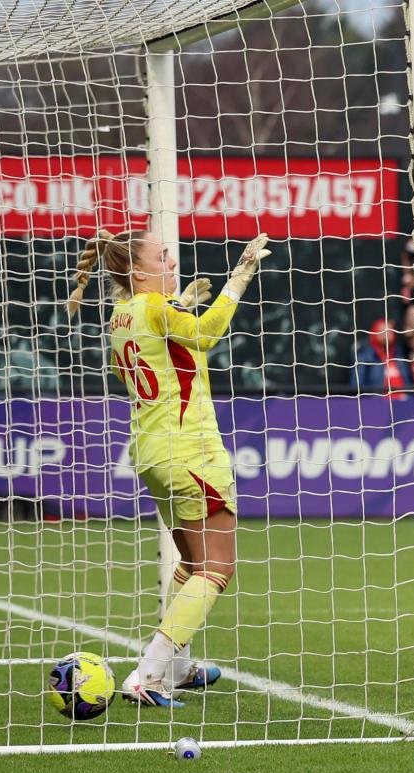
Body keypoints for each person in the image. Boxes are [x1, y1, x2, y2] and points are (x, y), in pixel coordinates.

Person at [66, 229, 270, 707]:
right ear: (138, 271)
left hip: (150, 453)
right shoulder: (157, 307)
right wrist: (238, 279)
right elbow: (205, 333)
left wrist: (175, 304)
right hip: (190, 450)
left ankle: (176, 668)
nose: (172, 260)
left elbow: (141, 365)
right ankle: (148, 673)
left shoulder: (120, 317)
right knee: (218, 567)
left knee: (193, 563)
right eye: (161, 255)